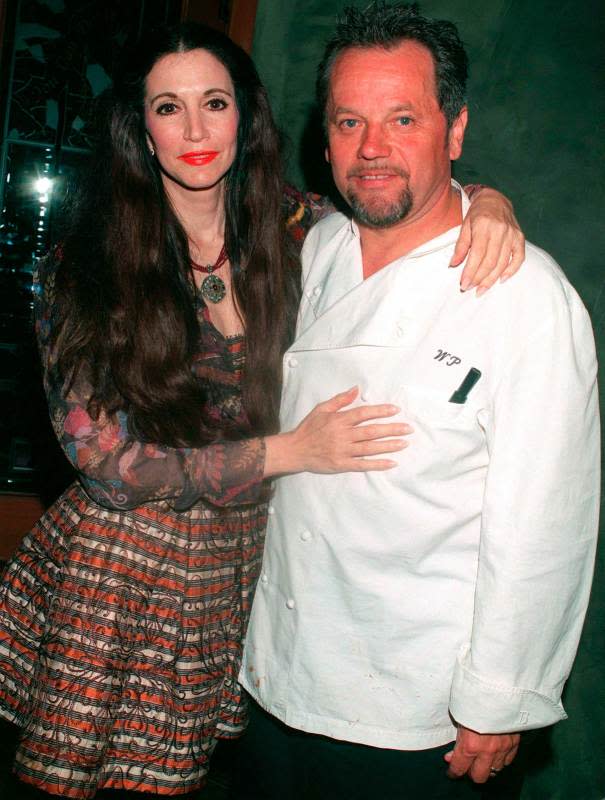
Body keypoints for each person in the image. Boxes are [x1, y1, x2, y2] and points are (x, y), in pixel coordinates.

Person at [0, 20, 523, 800]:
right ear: (139, 129)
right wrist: (293, 451)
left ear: (245, 115)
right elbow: (110, 468)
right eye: (168, 108)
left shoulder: (298, 228)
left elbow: (397, 201)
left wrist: (489, 201)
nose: (196, 129)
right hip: (123, 570)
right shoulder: (86, 260)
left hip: (245, 567)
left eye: (214, 102)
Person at [238, 4, 600, 800]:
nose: (372, 148)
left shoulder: (525, 297)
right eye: (349, 121)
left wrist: (500, 699)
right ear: (323, 135)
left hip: (416, 713)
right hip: (277, 670)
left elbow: (544, 524)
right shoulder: (318, 243)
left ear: (455, 130)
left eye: (402, 118)